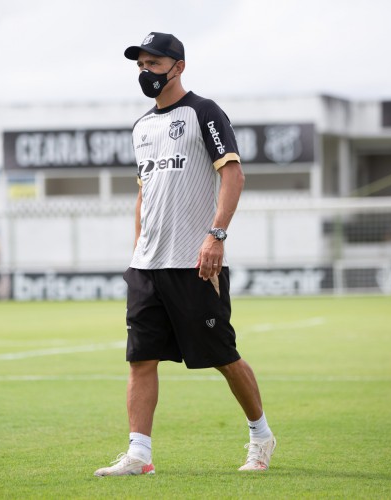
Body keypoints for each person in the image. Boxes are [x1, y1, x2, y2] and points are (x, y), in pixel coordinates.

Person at [94, 32, 276, 477]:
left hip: (194, 263)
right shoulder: (141, 127)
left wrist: (216, 235)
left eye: (154, 64)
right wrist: (137, 249)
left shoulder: (204, 112)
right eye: (140, 65)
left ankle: (260, 435)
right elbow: (145, 194)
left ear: (178, 66)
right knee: (140, 359)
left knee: (223, 356)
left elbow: (233, 176)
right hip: (146, 266)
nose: (146, 72)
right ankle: (138, 454)